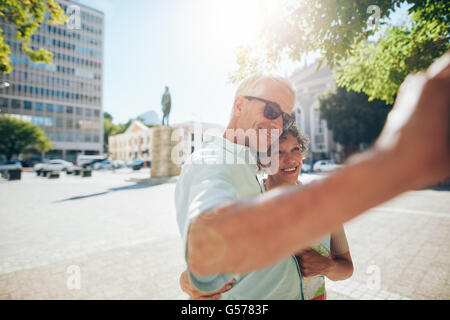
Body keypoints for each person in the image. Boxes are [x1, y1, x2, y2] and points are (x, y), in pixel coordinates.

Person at [184, 52, 450, 277]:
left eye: (284, 117)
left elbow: (212, 260)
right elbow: (205, 244)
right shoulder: (213, 159)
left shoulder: (246, 169)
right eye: (272, 111)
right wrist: (392, 164)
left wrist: (199, 280)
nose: (278, 125)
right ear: (239, 105)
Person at [179, 127, 353, 300]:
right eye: (279, 152)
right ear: (263, 161)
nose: (290, 159)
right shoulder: (246, 200)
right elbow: (208, 256)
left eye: (296, 149)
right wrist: (189, 281)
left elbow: (347, 269)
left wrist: (327, 267)